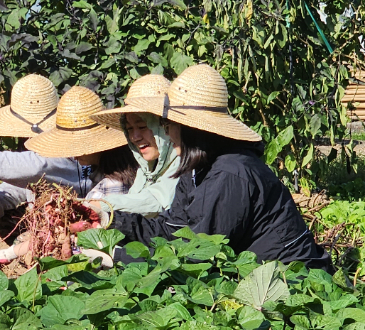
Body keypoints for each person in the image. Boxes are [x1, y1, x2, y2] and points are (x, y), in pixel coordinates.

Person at [89, 65, 333, 271]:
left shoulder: (229, 173)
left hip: (292, 281)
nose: (164, 131)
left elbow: (197, 256)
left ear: (190, 129)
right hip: (253, 274)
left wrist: (116, 259)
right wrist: (109, 218)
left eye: (168, 124)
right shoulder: (195, 169)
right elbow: (169, 229)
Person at [0, 86, 131, 267]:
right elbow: (18, 187)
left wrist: (12, 252)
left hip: (104, 255)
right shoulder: (100, 170)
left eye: (75, 148)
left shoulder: (110, 185)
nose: (73, 155)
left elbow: (88, 240)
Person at [0, 74, 93, 218]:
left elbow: (36, 167)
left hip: (88, 225)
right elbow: (20, 187)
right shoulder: (38, 150)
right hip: (54, 221)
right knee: (8, 219)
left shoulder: (72, 149)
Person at [90, 74, 180, 217]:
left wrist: (100, 205)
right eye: (130, 129)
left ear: (164, 127)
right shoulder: (146, 171)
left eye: (143, 127)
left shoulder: (183, 164)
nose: (135, 137)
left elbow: (156, 201)